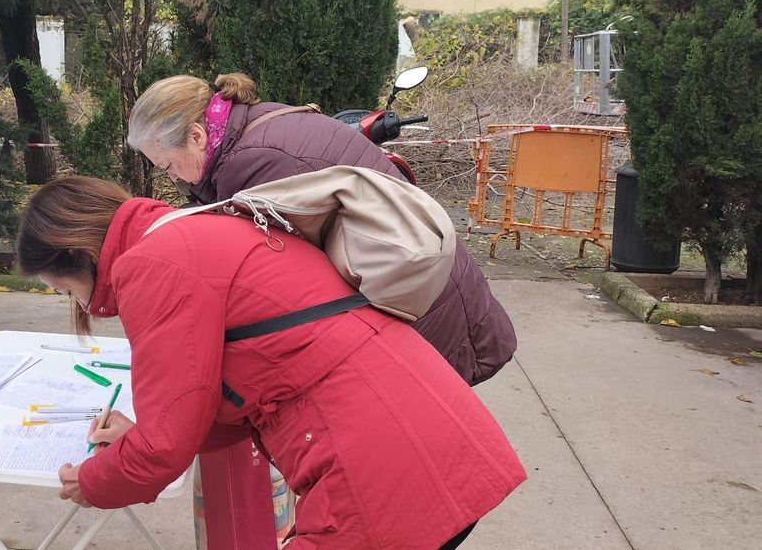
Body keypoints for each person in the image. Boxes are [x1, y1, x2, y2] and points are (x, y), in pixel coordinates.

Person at [16, 178, 525, 549]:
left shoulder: (153, 264)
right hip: (420, 428)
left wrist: (92, 481)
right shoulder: (197, 229)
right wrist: (141, 436)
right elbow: (208, 405)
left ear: (78, 254)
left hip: (376, 464)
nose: (77, 304)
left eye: (65, 289)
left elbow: (164, 447)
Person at [127, 72, 518, 548]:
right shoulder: (254, 128)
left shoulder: (249, 164)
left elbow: (284, 281)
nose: (171, 178)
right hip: (421, 284)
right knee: (423, 474)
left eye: (168, 166)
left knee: (407, 482)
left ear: (195, 135)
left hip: (416, 304)